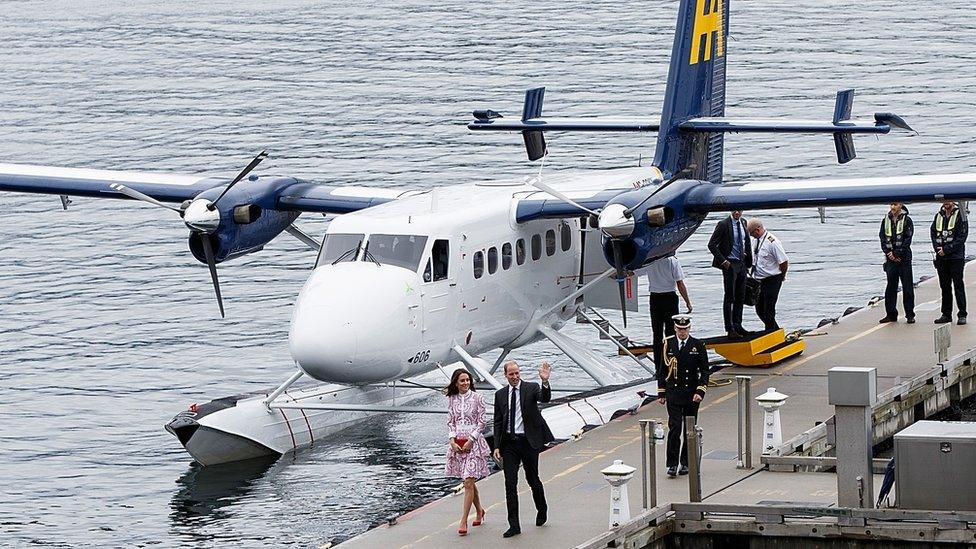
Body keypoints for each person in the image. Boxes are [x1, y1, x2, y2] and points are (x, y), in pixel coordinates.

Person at [492, 361, 554, 538]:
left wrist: (545, 382)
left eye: (517, 373)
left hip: (528, 442)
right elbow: (497, 421)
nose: (515, 377)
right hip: (510, 444)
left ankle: (542, 509)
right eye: (511, 374)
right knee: (510, 483)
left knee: (532, 478)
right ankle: (514, 525)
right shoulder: (500, 395)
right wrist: (496, 446)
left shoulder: (531, 388)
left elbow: (545, 398)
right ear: (506, 376)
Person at [656, 314, 710, 477]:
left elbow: (705, 371)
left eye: (685, 329)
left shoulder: (697, 345)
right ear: (675, 328)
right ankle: (672, 463)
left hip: (691, 394)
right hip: (674, 392)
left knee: (689, 429)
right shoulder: (668, 345)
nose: (682, 332)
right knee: (674, 428)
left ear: (689, 328)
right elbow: (662, 370)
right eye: (679, 329)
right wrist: (661, 392)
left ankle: (685, 462)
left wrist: (700, 391)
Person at [445, 368, 490, 536]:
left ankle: (463, 520)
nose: (465, 383)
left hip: (474, 443)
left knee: (469, 482)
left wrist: (471, 439)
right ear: (456, 383)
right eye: (462, 380)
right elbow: (450, 422)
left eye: (467, 380)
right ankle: (480, 511)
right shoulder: (452, 399)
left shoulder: (478, 398)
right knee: (468, 481)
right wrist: (452, 440)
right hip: (457, 444)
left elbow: (482, 422)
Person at [636, 254, 692, 370]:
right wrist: (687, 302)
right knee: (670, 334)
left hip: (655, 298)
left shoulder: (649, 260)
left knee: (657, 334)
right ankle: (671, 365)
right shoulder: (672, 261)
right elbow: (680, 283)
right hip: (670, 298)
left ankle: (658, 367)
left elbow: (635, 272)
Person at [707, 210, 753, 337]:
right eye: (735, 210)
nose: (737, 213)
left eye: (739, 210)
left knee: (741, 295)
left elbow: (745, 243)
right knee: (730, 296)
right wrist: (723, 261)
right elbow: (711, 245)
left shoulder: (743, 222)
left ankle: (738, 324)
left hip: (741, 263)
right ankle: (730, 328)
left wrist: (748, 261)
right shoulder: (723, 224)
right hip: (730, 264)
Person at [747, 218, 789, 332]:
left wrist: (782, 276)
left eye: (752, 233)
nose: (751, 236)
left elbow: (783, 261)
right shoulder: (756, 240)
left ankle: (770, 332)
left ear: (758, 230)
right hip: (759, 280)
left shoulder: (773, 242)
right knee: (759, 309)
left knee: (769, 309)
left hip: (772, 279)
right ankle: (776, 331)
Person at [931, 200, 968, 325]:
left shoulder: (960, 215)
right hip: (942, 258)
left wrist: (947, 250)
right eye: (944, 201)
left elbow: (962, 237)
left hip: (955, 257)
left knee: (958, 285)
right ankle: (946, 314)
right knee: (944, 287)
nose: (946, 203)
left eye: (949, 200)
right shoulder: (938, 215)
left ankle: (962, 314)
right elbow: (933, 233)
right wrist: (938, 249)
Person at [879, 203, 915, 324]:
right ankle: (891, 314)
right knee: (890, 287)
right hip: (890, 260)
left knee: (907, 287)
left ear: (900, 206)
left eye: (895, 204)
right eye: (891, 204)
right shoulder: (886, 220)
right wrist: (889, 253)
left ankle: (910, 314)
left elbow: (907, 239)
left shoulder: (907, 220)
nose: (892, 207)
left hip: (904, 259)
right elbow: (882, 238)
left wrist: (897, 254)